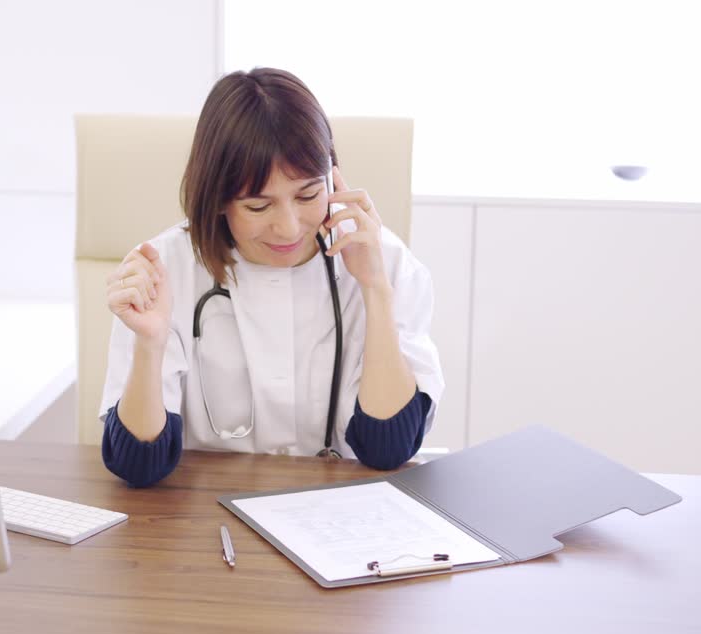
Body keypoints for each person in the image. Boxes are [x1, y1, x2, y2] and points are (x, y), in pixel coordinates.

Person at [98, 67, 443, 488]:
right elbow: (138, 467)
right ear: (217, 199)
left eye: (309, 195)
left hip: (339, 522)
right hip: (205, 519)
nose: (289, 227)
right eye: (258, 207)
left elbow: (389, 449)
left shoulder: (383, 260)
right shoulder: (164, 266)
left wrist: (374, 288)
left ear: (333, 176)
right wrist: (149, 346)